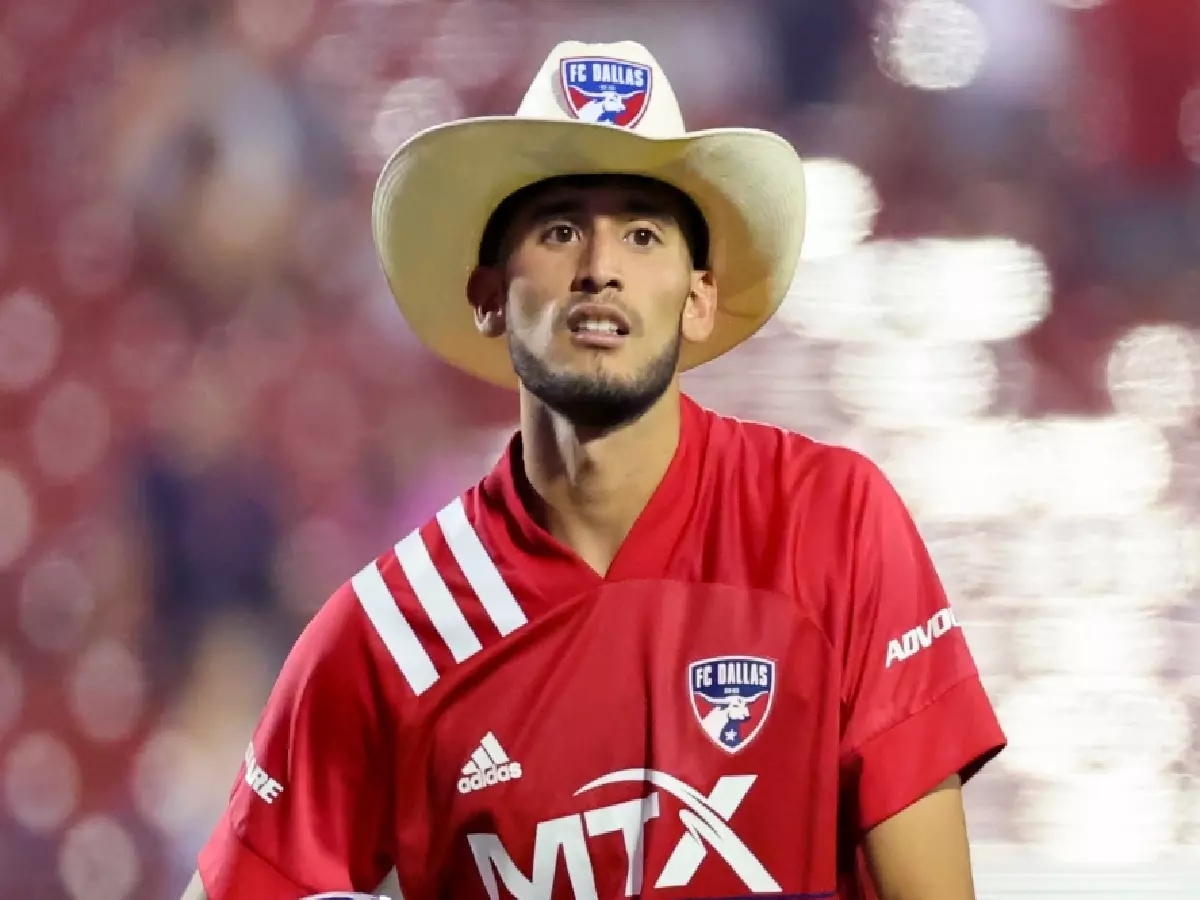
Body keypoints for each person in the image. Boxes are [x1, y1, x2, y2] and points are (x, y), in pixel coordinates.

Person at [183, 40, 1006, 900]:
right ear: (490, 295)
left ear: (698, 297)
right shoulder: (395, 630)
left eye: (643, 233)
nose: (600, 267)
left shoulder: (831, 521)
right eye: (561, 228)